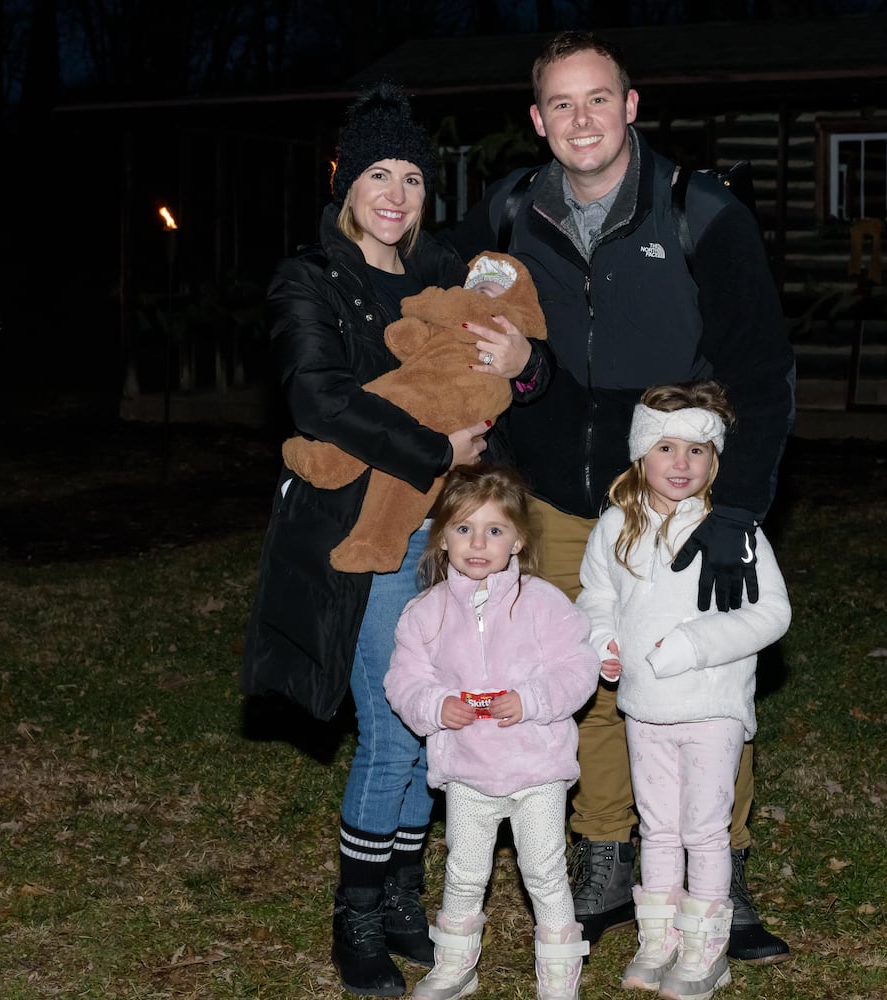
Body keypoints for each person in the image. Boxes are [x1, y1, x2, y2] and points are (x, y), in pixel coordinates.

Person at [449, 30, 797, 962]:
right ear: (537, 121)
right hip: (557, 492)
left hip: (677, 495)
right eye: (560, 105)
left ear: (632, 105)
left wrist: (735, 511)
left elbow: (762, 372)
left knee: (705, 678)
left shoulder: (699, 210)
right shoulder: (510, 209)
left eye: (598, 99)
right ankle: (607, 855)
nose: (581, 120)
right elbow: (451, 321)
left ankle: (725, 863)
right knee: (586, 676)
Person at [239, 83, 544, 997]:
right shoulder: (308, 278)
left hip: (457, 540)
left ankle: (406, 899)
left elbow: (522, 348)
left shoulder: (442, 270)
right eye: (379, 172)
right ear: (346, 181)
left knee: (432, 724)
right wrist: (431, 447)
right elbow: (317, 400)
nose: (397, 191)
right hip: (364, 540)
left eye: (412, 175)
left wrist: (527, 370)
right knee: (393, 729)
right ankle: (359, 915)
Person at [576, 382, 791, 998]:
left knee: (704, 828)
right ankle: (661, 936)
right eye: (666, 447)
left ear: (715, 461)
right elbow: (599, 596)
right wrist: (602, 641)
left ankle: (706, 946)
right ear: (641, 455)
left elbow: (771, 613)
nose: (681, 463)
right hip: (644, 708)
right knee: (659, 826)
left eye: (697, 451)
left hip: (710, 706)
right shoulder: (615, 525)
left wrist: (694, 646)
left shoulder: (735, 530)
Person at [384, 465, 599, 1000]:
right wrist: (436, 705)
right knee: (463, 869)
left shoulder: (545, 603)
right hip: (468, 771)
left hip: (537, 768)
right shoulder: (425, 613)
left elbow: (578, 667)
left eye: (494, 530)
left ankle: (558, 970)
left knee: (544, 870)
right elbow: (405, 679)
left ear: (518, 539)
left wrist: (531, 701)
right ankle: (456, 964)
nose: (478, 544)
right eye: (463, 529)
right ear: (441, 537)